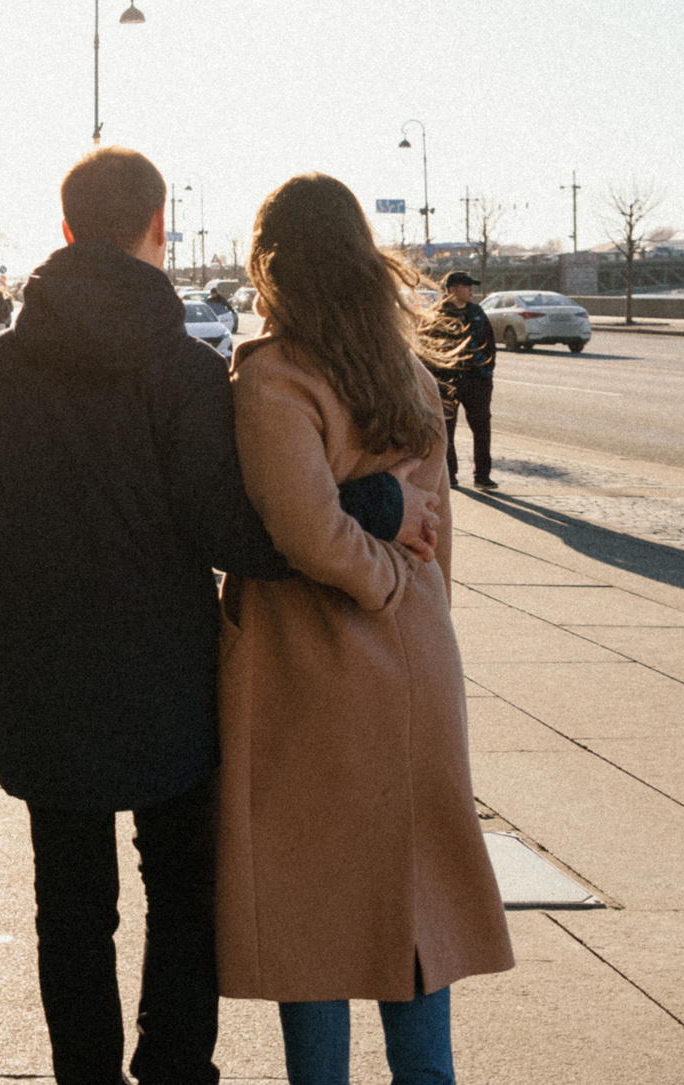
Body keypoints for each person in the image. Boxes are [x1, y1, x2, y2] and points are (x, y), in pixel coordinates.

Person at [0, 147, 432, 1085]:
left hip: (43, 672)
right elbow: (240, 534)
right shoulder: (182, 370)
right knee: (180, 889)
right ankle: (173, 1068)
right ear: (158, 228)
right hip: (169, 678)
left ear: (67, 228)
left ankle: (85, 1071)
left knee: (70, 901)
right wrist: (374, 510)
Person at [219, 174, 515, 1084]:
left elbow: (306, 530)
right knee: (412, 907)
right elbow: (437, 533)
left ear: (272, 263)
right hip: (415, 660)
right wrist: (421, 612)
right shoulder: (411, 376)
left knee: (315, 915)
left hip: (312, 673)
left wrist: (382, 575)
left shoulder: (274, 375)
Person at [423, 270, 496, 490]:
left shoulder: (477, 312)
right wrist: (437, 379)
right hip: (447, 381)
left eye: (472, 286)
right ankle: (450, 475)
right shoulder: (436, 315)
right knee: (446, 430)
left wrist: (487, 371)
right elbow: (425, 351)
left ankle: (482, 475)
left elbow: (490, 343)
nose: (472, 290)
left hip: (476, 380)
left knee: (482, 428)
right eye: (467, 286)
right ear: (453, 289)